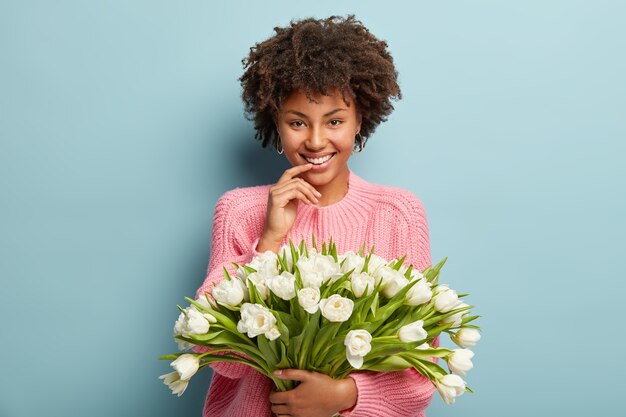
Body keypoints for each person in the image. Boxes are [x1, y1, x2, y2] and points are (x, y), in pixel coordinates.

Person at [195, 15, 435, 417]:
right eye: (297, 122)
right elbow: (215, 353)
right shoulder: (239, 211)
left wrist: (347, 396)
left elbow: (422, 369)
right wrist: (268, 242)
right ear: (275, 123)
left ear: (361, 121)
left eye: (335, 121)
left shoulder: (398, 214)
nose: (316, 140)